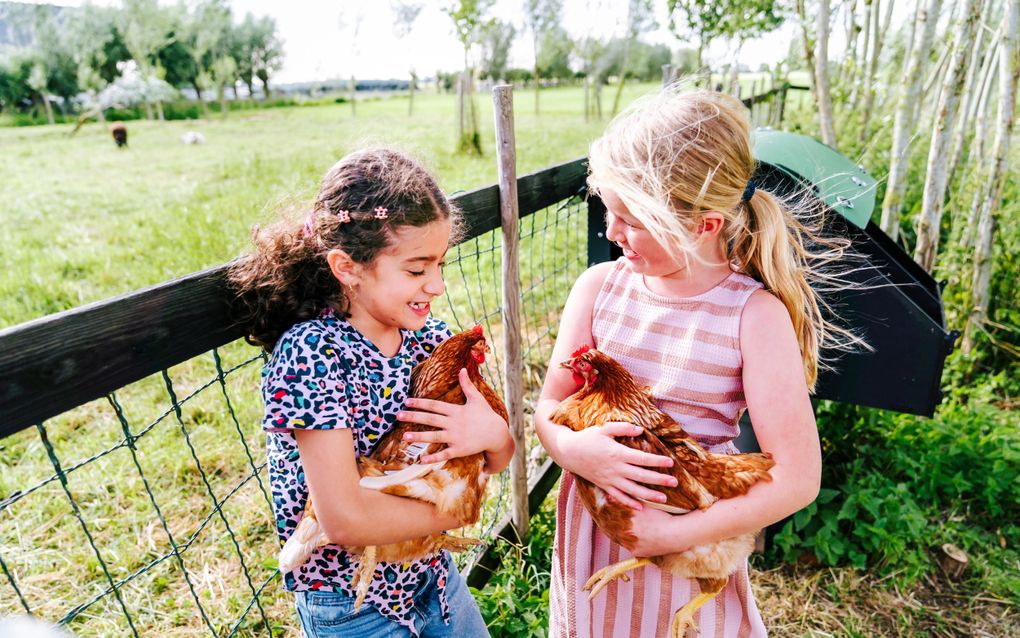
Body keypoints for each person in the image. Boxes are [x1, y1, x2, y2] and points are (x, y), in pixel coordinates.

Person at [534, 89, 865, 637]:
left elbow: (799, 478)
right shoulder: (597, 289)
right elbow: (549, 406)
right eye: (608, 213)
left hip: (689, 531)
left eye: (630, 220)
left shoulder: (753, 316)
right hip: (595, 533)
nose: (611, 232)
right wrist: (574, 450)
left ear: (704, 224)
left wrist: (669, 537)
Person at [228, 148, 514, 637]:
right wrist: (454, 511)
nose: (437, 285)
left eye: (440, 264)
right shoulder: (313, 356)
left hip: (433, 579)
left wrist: (494, 434)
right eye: (417, 269)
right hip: (353, 605)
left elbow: (496, 457)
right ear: (347, 267)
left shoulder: (429, 339)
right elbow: (345, 520)